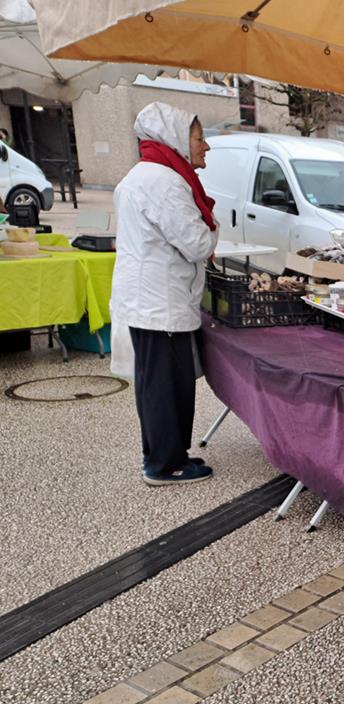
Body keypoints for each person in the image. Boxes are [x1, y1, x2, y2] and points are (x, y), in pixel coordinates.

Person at [112, 102, 218, 486]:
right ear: (175, 137)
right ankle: (165, 464)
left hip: (150, 298)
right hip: (159, 300)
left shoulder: (146, 175)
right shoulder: (165, 182)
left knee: (155, 381)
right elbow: (196, 244)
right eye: (199, 136)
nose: (205, 146)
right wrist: (214, 227)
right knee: (165, 383)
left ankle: (163, 454)